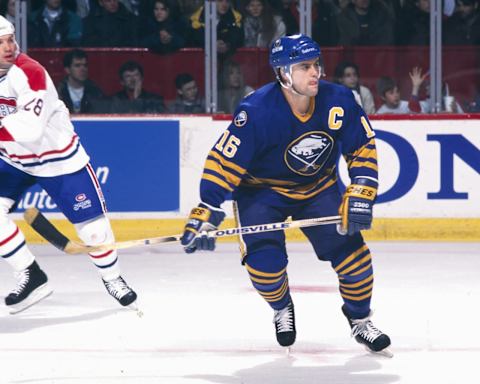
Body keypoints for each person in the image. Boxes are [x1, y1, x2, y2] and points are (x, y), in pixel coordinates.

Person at [180, 34, 391, 354]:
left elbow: (362, 147)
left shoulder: (341, 99)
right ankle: (282, 307)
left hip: (318, 189)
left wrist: (361, 190)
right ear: (282, 73)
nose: (315, 72)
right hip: (260, 194)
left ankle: (360, 321)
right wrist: (208, 210)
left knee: (355, 259)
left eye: (316, 64)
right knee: (265, 267)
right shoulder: (255, 111)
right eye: (304, 66)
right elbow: (223, 163)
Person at [0, 16, 137, 314]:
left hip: (58, 160)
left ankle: (112, 278)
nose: (8, 47)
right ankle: (30, 274)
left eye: (10, 39)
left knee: (94, 232)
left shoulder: (30, 73)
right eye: (1, 42)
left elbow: (30, 129)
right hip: (13, 159)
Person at [56, 48, 106, 114]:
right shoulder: (58, 92)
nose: (83, 69)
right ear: (67, 70)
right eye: (77, 66)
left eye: (85, 65)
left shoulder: (96, 92)